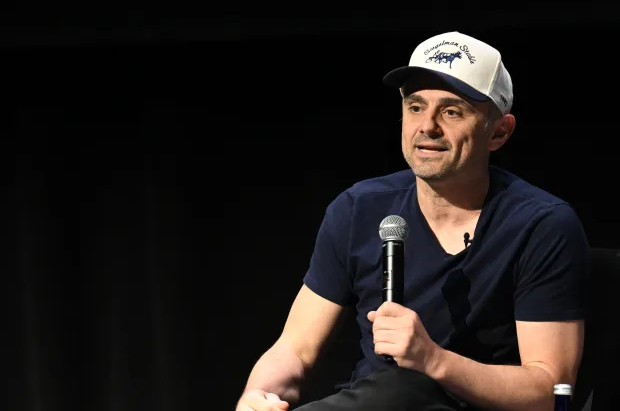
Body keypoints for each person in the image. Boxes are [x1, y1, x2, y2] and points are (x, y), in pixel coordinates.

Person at [236, 31, 590, 411]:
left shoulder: (541, 225)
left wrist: (433, 360)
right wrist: (257, 396)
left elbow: (551, 390)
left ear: (499, 132)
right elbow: (294, 349)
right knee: (392, 390)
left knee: (404, 388)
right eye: (416, 107)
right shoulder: (359, 209)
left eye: (452, 111)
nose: (428, 127)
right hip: (374, 402)